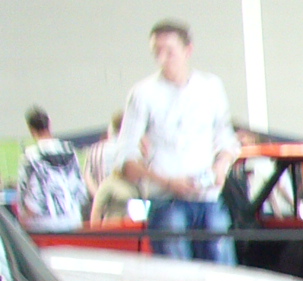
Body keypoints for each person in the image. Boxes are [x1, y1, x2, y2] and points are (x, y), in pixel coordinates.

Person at [113, 19, 240, 263]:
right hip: (166, 200)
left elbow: (226, 137)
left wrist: (221, 167)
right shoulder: (143, 94)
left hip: (208, 197)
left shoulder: (211, 87)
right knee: (179, 273)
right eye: (157, 52)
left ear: (188, 50)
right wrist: (168, 182)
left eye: (169, 52)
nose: (162, 59)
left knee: (222, 273)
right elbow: (125, 156)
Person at [17, 108, 89, 231]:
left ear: (31, 129)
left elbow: (32, 194)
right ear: (49, 125)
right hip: (73, 219)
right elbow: (80, 189)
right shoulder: (69, 150)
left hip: (43, 224)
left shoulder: (31, 156)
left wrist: (22, 220)